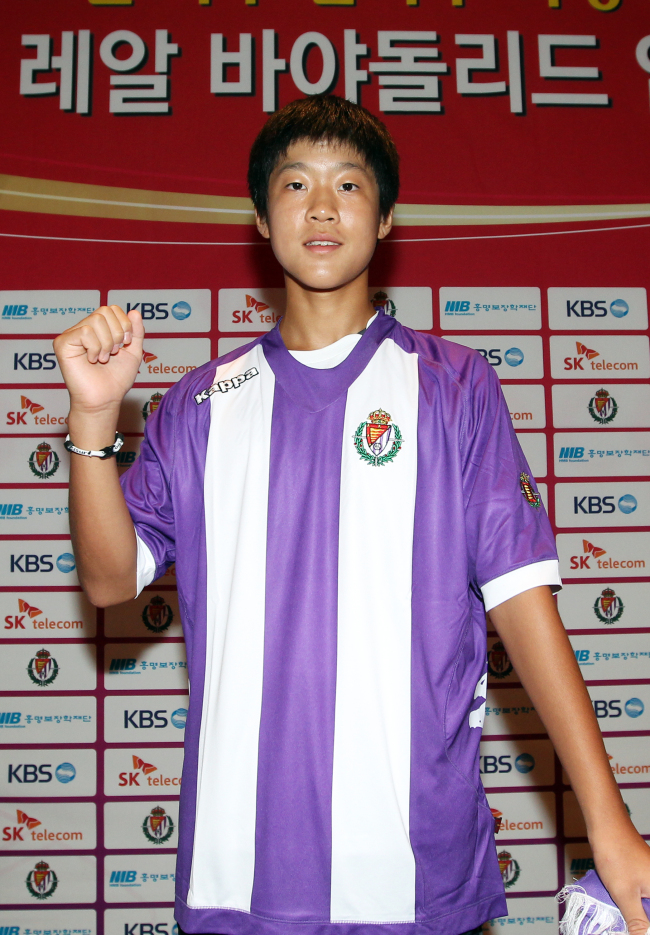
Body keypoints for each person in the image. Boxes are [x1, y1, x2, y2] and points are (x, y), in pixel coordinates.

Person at [54, 96, 650, 935]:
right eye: (296, 184)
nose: (323, 206)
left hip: (415, 883)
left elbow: (523, 603)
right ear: (263, 217)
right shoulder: (199, 406)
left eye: (349, 184)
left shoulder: (455, 389)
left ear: (387, 217)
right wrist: (92, 422)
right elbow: (112, 578)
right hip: (236, 886)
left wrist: (609, 820)